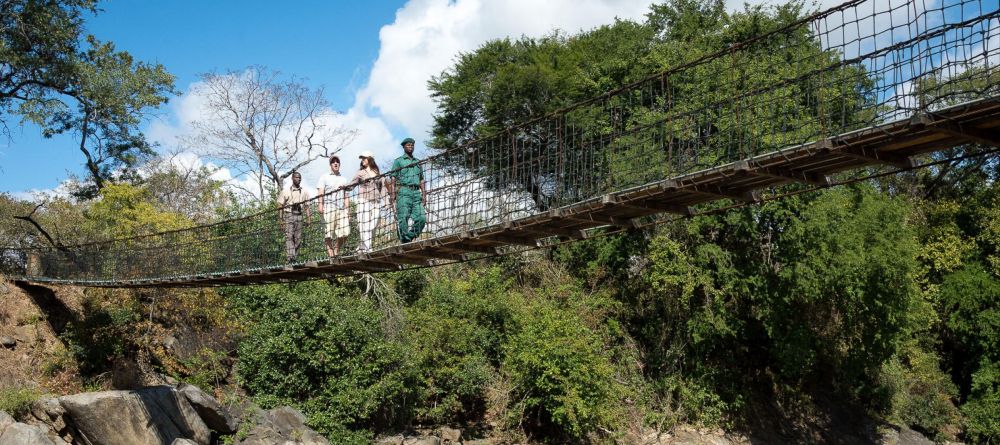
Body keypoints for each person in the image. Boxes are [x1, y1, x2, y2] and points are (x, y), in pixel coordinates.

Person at [387, 137, 426, 243]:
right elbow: (393, 177)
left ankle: (408, 237)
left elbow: (421, 179)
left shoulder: (417, 162)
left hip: (416, 192)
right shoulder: (398, 161)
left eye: (412, 145)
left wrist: (424, 195)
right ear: (404, 147)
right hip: (403, 191)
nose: (410, 147)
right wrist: (392, 194)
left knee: (422, 218)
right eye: (408, 145)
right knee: (403, 217)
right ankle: (405, 240)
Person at [351, 150, 385, 253]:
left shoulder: (378, 173)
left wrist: (388, 202)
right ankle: (367, 248)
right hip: (363, 199)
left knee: (373, 224)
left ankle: (363, 245)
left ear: (370, 159)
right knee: (363, 223)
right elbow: (352, 183)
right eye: (362, 159)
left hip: (376, 201)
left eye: (364, 158)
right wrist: (345, 188)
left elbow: (383, 188)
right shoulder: (360, 172)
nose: (362, 160)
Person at [316, 156, 350, 257]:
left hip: (341, 209)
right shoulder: (324, 177)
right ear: (330, 164)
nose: (335, 163)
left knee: (346, 233)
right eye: (333, 162)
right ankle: (331, 256)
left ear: (339, 164)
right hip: (328, 208)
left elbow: (346, 196)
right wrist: (320, 205)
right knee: (328, 234)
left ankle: (336, 250)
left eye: (337, 162)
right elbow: (320, 192)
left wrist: (348, 210)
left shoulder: (344, 179)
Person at [277, 171, 311, 263]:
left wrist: (309, 219)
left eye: (300, 178)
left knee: (298, 239)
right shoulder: (285, 191)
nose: (298, 179)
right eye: (296, 177)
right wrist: (281, 220)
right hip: (288, 215)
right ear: (292, 178)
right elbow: (280, 205)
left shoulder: (304, 191)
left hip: (299, 215)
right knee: (289, 236)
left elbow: (307, 206)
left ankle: (293, 257)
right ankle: (290, 257)